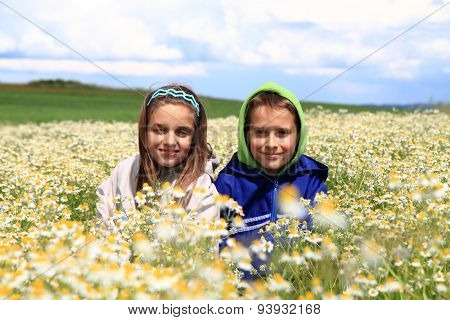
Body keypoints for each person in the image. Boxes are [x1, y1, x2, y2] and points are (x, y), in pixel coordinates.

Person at [214, 81, 328, 280]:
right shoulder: (228, 184)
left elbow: (323, 241)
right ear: (245, 135)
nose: (271, 144)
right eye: (260, 132)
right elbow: (214, 245)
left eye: (282, 133)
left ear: (298, 135)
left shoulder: (311, 182)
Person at [96, 84, 219, 229]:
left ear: (195, 137)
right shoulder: (123, 172)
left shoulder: (201, 188)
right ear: (144, 132)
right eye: (159, 130)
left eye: (182, 132)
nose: (169, 142)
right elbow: (102, 231)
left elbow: (204, 247)